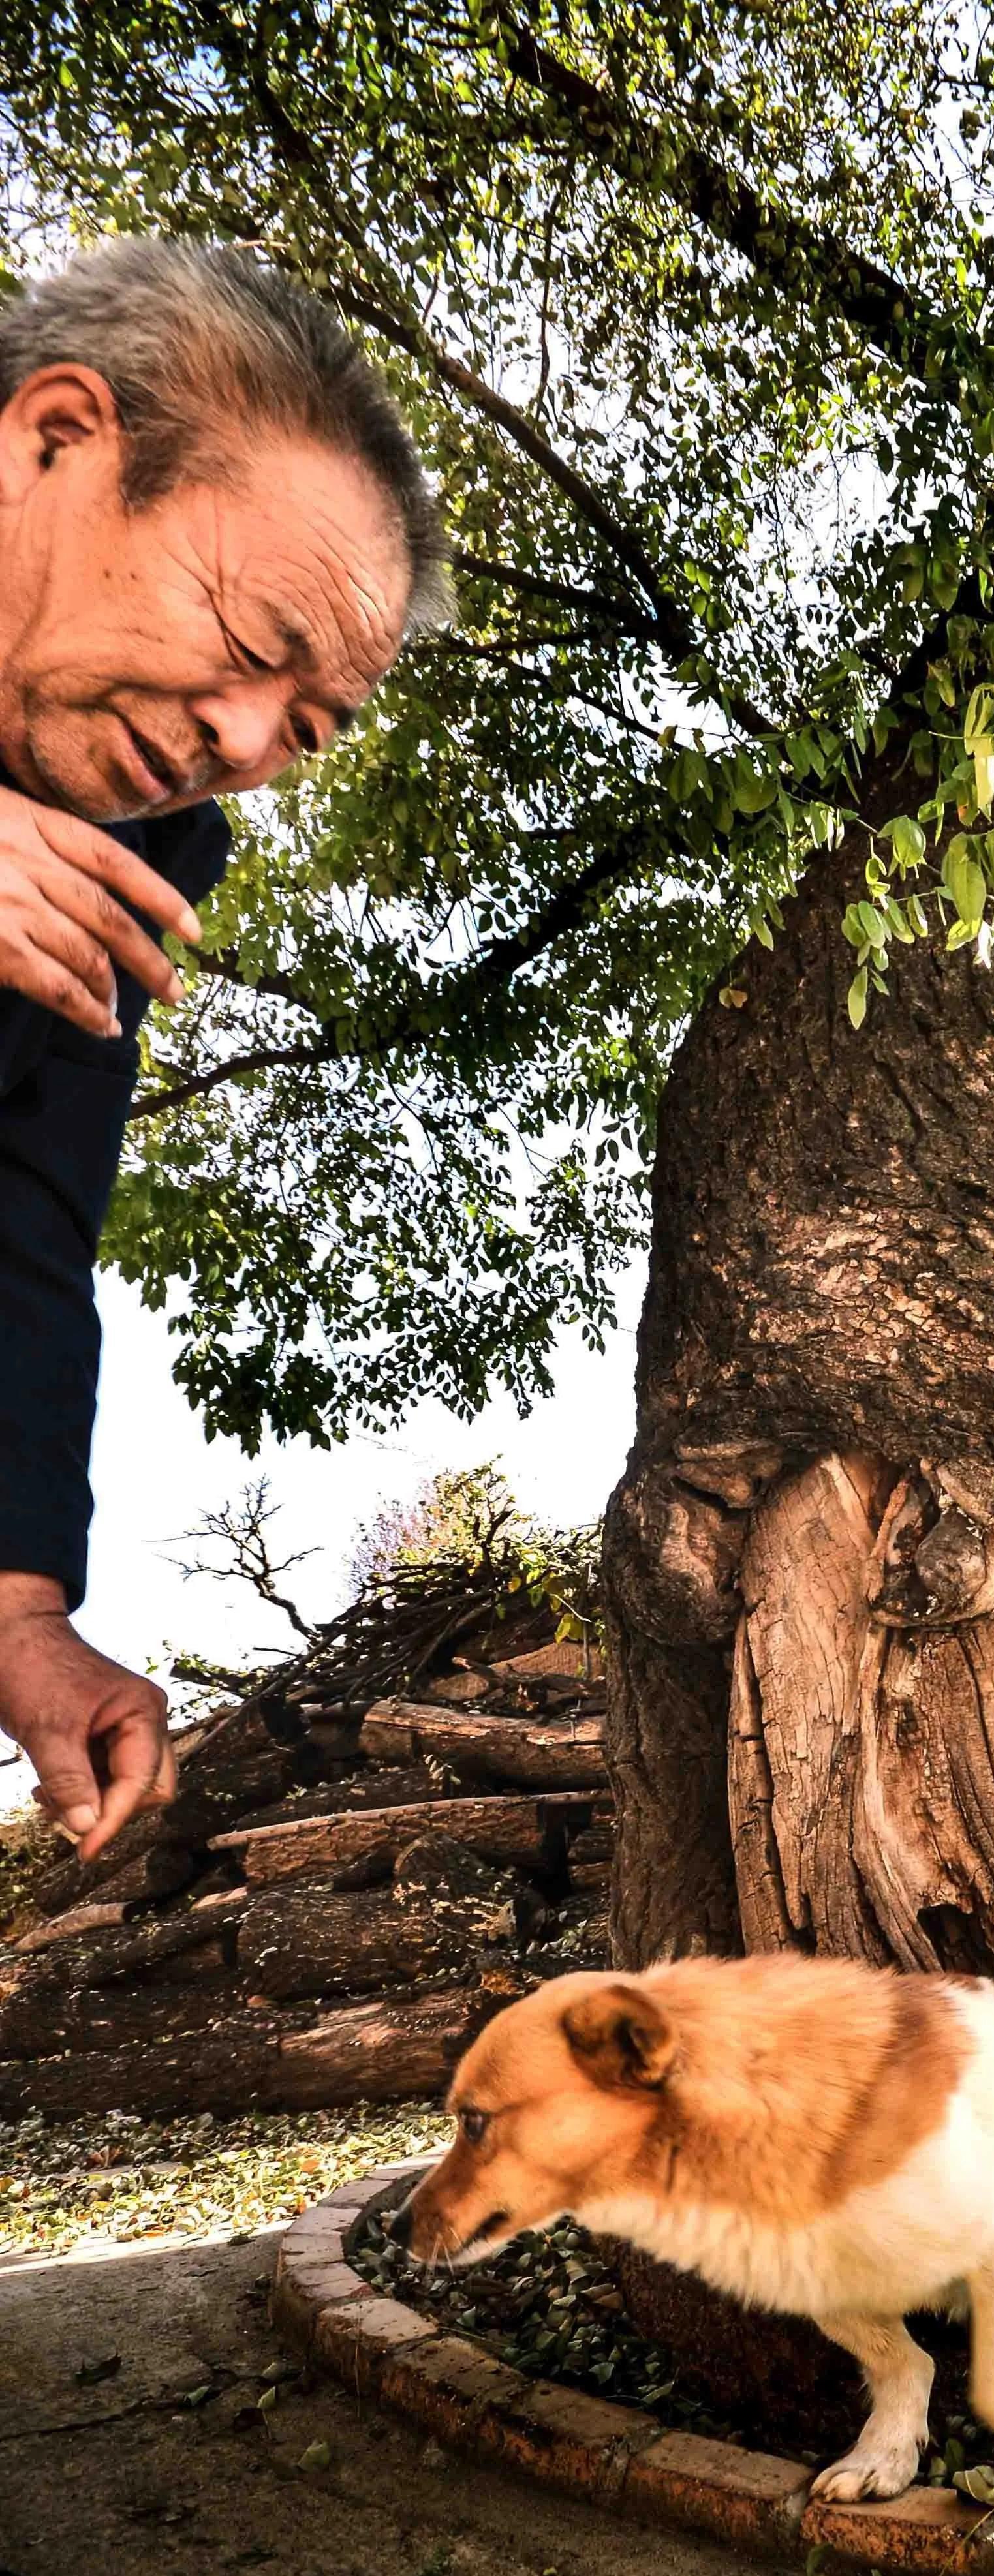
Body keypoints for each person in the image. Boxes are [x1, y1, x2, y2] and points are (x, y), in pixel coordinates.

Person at [0, 238, 446, 1864]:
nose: (246, 748)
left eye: (308, 729)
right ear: (54, 440)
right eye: (252, 641)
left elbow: (26, 1221)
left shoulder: (156, 854)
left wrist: (23, 1614)